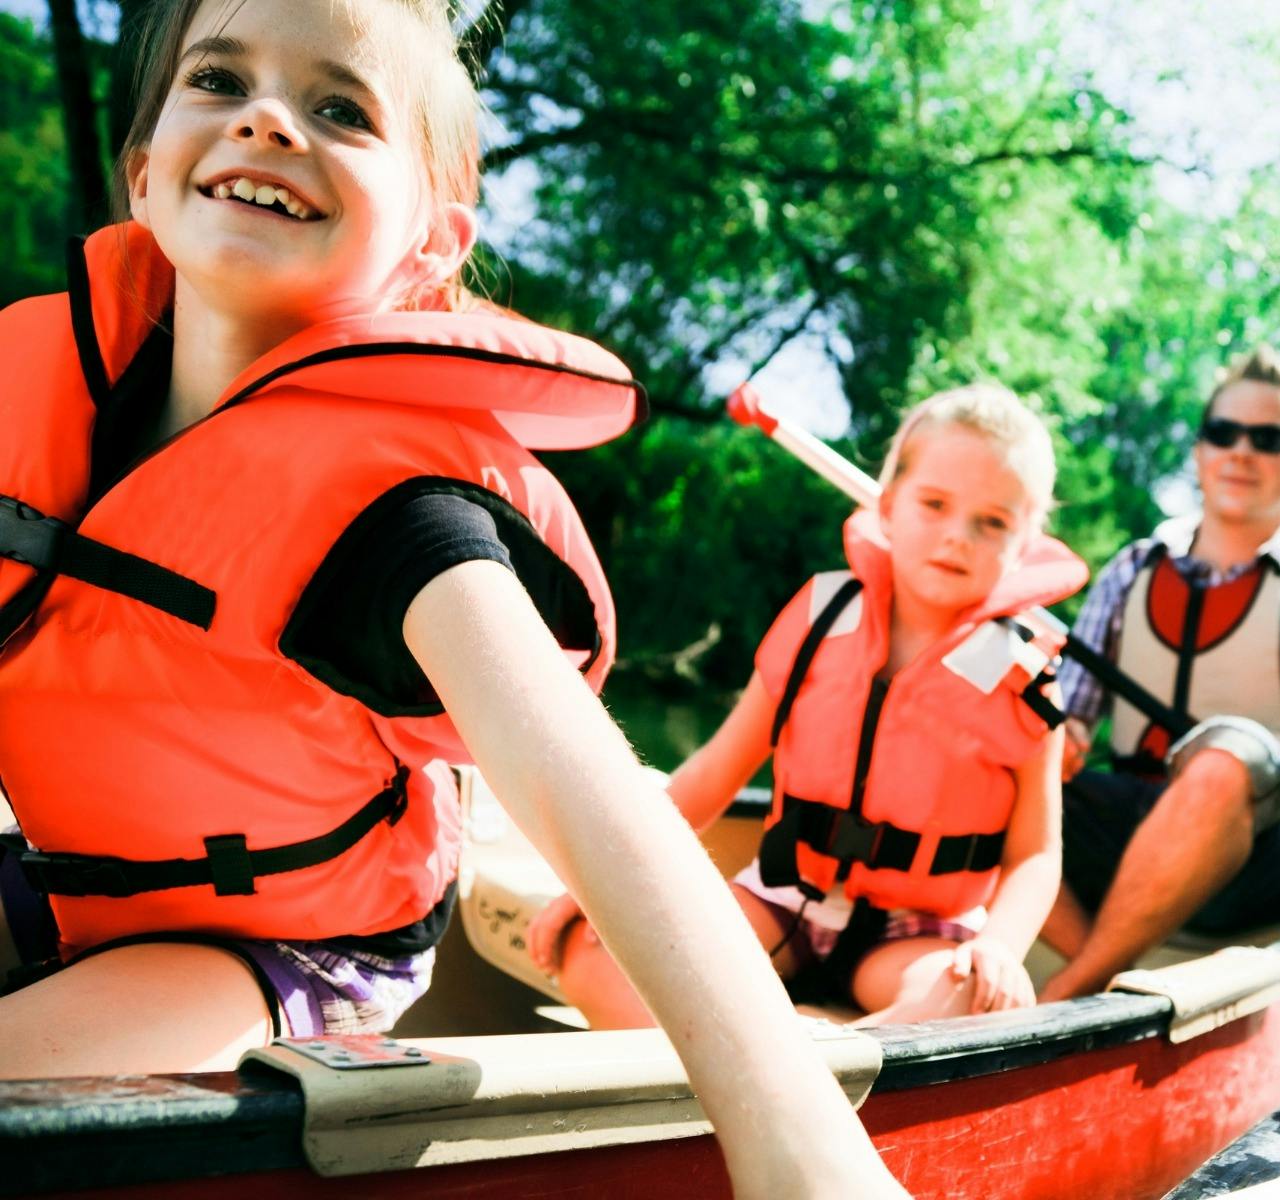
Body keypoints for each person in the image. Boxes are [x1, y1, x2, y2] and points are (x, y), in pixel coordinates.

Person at [0, 2, 908, 1194]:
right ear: (142, 170)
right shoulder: (44, 398)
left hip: (271, 949)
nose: (268, 119)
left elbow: (591, 805)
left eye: (340, 109)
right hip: (64, 877)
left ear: (433, 235)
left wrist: (802, 1148)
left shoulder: (403, 521)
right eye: (220, 79)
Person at [532, 384, 1085, 1028]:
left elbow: (1037, 855)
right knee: (589, 947)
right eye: (934, 504)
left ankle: (787, 1059)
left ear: (1025, 544)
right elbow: (713, 775)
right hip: (785, 900)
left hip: (918, 934)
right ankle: (790, 1053)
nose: (957, 537)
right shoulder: (821, 620)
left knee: (964, 1004)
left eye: (992, 522)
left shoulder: (1023, 677)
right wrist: (597, 884)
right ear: (887, 506)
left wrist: (1001, 948)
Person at [1039, 347, 1280, 1001]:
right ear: (1198, 452)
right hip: (1130, 826)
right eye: (1224, 433)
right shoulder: (1132, 571)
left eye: (1271, 439)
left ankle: (1076, 989)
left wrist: (1273, 756)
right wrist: (1056, 744)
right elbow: (1066, 718)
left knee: (1228, 761)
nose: (1241, 451)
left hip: (1260, 864)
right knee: (1000, 751)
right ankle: (1095, 949)